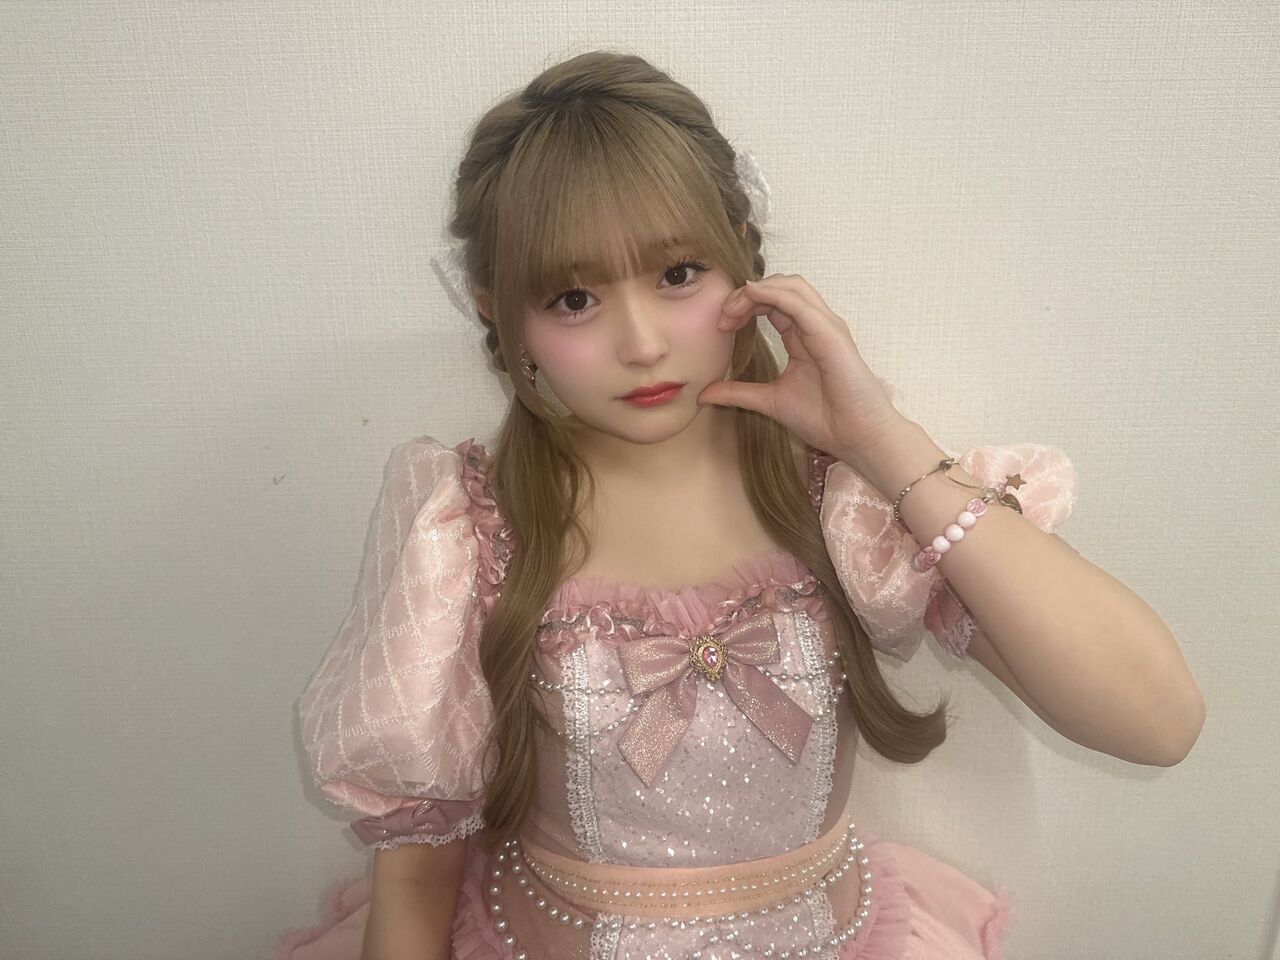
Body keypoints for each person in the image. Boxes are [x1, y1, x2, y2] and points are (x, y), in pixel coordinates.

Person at [275, 49, 1202, 960]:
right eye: (573, 298)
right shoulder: (467, 532)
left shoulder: (842, 498)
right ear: (497, 314)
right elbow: (416, 887)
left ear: (743, 264)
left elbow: (1158, 722)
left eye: (677, 274)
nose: (642, 343)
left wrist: (884, 442)